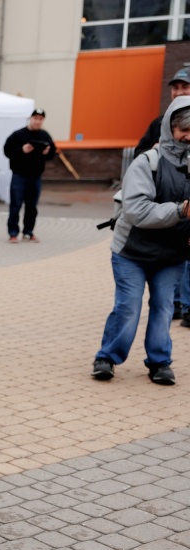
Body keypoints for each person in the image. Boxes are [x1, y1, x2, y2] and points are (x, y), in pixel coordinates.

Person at [92, 96, 190, 386]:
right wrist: (181, 210)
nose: (188, 136)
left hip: (171, 255)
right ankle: (106, 358)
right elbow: (136, 210)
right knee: (129, 307)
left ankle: (159, 363)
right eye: (183, 130)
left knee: (163, 308)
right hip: (131, 252)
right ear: (169, 128)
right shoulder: (147, 162)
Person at [133, 68, 190, 322]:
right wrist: (154, 151)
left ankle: (184, 306)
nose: (179, 92)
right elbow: (140, 154)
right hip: (164, 205)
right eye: (175, 88)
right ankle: (176, 303)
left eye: (184, 87)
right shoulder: (159, 123)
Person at [3, 108, 54, 243]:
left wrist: (46, 153)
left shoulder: (45, 136)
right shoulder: (18, 135)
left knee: (32, 206)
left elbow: (52, 152)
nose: (37, 121)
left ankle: (28, 232)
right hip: (19, 176)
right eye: (35, 118)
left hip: (35, 176)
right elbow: (7, 151)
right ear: (30, 119)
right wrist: (22, 150)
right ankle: (13, 233)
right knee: (16, 205)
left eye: (40, 119)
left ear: (43, 121)